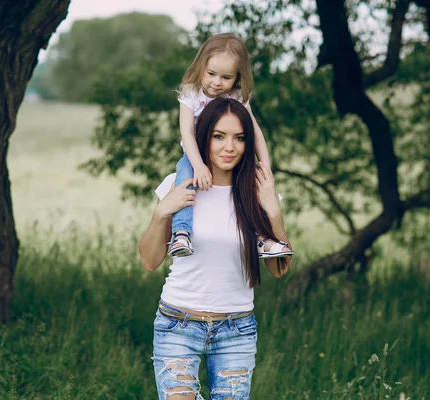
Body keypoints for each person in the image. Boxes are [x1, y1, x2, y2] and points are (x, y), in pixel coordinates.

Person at [139, 97, 293, 400]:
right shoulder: (177, 183)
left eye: (239, 138)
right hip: (177, 324)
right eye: (219, 136)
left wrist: (274, 213)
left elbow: (278, 269)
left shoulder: (257, 192)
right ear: (203, 137)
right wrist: (161, 214)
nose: (229, 147)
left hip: (236, 330)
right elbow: (149, 260)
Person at [168, 33, 293, 259]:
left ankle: (261, 237)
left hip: (225, 158)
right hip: (195, 155)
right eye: (211, 74)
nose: (217, 82)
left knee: (252, 183)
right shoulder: (191, 93)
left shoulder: (236, 97)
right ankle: (181, 233)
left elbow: (255, 132)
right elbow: (186, 133)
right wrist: (199, 165)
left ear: (237, 77)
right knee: (184, 179)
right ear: (201, 67)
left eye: (225, 77)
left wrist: (265, 166)